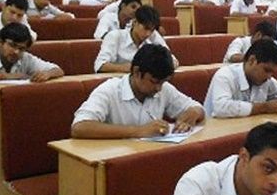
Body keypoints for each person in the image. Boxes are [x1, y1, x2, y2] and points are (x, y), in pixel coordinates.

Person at [0, 23, 64, 195]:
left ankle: (14, 186)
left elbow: (57, 69)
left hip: (9, 116)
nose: (16, 52)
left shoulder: (25, 58)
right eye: (12, 46)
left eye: (21, 49)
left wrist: (47, 74)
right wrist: (3, 76)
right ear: (0, 42)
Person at [71, 44, 205, 139]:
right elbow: (79, 127)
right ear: (136, 72)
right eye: (154, 82)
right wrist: (138, 131)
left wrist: (192, 113)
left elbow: (197, 107)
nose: (158, 88)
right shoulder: (109, 90)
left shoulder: (163, 89)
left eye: (162, 82)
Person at [204, 39, 277, 118]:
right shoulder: (225, 75)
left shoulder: (265, 80)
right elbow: (221, 107)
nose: (269, 76)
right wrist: (265, 107)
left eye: (272, 72)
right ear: (252, 60)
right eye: (267, 70)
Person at [95, 5, 177, 72]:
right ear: (134, 22)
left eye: (151, 30)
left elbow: (173, 61)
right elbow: (99, 65)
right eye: (146, 28)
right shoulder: (115, 36)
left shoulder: (153, 37)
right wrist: (124, 68)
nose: (148, 33)